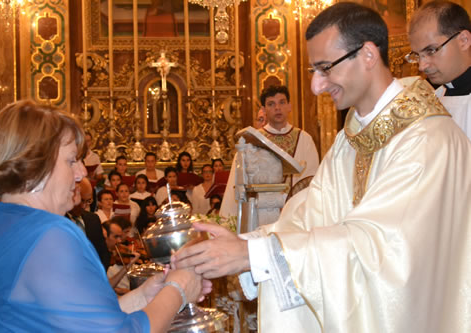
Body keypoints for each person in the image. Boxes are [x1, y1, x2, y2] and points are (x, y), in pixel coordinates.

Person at [172, 3, 471, 332]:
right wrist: (242, 242)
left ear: (368, 55)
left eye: (326, 68)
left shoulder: (428, 139)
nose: (316, 85)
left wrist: (251, 254)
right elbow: (311, 215)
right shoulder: (352, 136)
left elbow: (379, 249)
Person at [0, 100, 205, 332]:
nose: (82, 172)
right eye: (71, 160)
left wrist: (144, 296)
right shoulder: (49, 235)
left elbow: (77, 322)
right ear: (34, 166)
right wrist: (179, 289)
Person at [220, 85, 320, 218]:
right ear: (264, 109)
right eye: (271, 104)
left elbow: (311, 181)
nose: (277, 108)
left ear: (289, 106)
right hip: (259, 214)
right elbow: (237, 180)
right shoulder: (252, 140)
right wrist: (229, 218)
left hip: (295, 216)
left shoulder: (304, 139)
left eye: (282, 102)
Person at [408, 1, 471, 140]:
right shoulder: (430, 100)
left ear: (464, 40)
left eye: (431, 50)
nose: (421, 66)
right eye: (417, 56)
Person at [66, 177, 108, 266]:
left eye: (88, 201)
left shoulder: (93, 219)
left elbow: (103, 253)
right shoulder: (58, 219)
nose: (84, 206)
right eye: (81, 201)